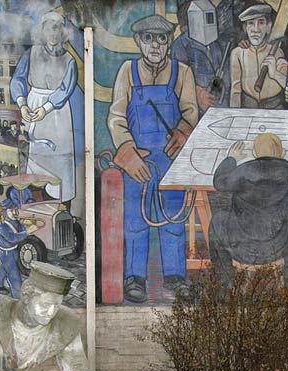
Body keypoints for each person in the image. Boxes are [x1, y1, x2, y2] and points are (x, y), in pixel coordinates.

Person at [107, 14, 198, 303]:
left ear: (169, 41)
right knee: (135, 219)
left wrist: (183, 132)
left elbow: (191, 111)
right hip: (137, 162)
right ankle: (135, 278)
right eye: (148, 38)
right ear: (138, 41)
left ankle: (175, 277)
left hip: (171, 159)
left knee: (173, 219)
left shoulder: (181, 72)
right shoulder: (127, 71)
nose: (155, 45)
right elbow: (116, 117)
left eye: (161, 38)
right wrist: (128, 153)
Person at [210, 134, 288, 288]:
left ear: (255, 154)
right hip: (277, 248)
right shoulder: (287, 170)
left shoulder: (242, 170)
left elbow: (219, 181)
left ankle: (225, 281)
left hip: (241, 248)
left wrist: (231, 158)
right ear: (282, 153)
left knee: (218, 219)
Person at [10, 11, 78, 206]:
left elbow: (66, 89)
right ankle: (36, 203)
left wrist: (46, 108)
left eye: (57, 29)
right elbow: (18, 79)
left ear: (62, 32)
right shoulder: (32, 53)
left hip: (57, 112)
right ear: (43, 31)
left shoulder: (69, 60)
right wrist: (22, 104)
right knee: (36, 155)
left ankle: (60, 206)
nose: (53, 33)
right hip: (32, 105)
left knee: (60, 157)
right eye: (49, 29)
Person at [172, 0, 229, 113]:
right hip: (195, 112)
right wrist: (197, 93)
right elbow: (177, 80)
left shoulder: (215, 44)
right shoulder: (181, 45)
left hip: (218, 108)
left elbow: (225, 75)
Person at [230, 4, 288, 109]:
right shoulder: (238, 53)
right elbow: (236, 90)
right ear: (245, 28)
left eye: (261, 22)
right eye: (251, 23)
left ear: (268, 27)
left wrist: (274, 73)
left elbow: (287, 86)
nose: (255, 29)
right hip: (248, 108)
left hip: (274, 108)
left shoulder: (277, 52)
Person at [0, 201, 29, 297]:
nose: (14, 213)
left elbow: (19, 230)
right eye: (11, 211)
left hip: (13, 251)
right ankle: (18, 297)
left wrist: (24, 225)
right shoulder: (1, 225)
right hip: (6, 253)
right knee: (14, 276)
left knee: (2, 270)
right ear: (5, 212)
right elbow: (11, 238)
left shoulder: (15, 221)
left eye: (15, 210)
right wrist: (27, 232)